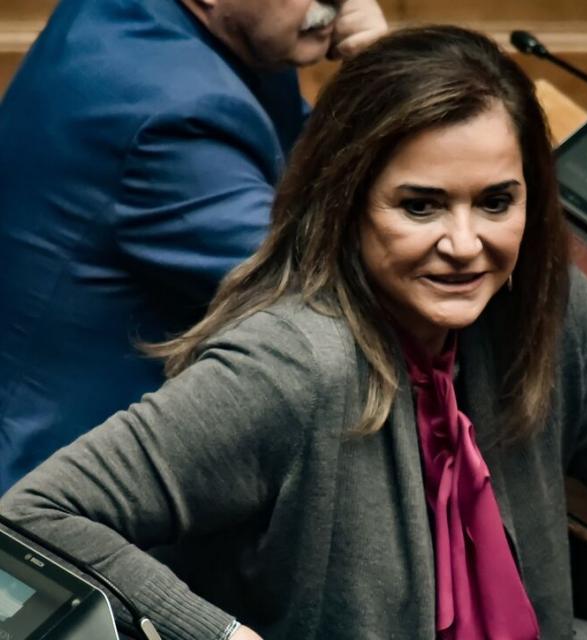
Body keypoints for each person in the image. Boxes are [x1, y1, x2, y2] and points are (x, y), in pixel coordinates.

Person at [1, 26, 587, 640]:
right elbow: (34, 517)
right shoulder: (289, 364)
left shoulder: (542, 306)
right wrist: (220, 634)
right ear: (348, 203)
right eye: (421, 206)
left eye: (496, 202)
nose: (465, 244)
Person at [0, 0, 388, 491]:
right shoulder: (175, 114)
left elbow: (306, 175)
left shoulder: (214, 33)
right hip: (59, 494)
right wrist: (385, 89)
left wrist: (376, 77)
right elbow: (337, 295)